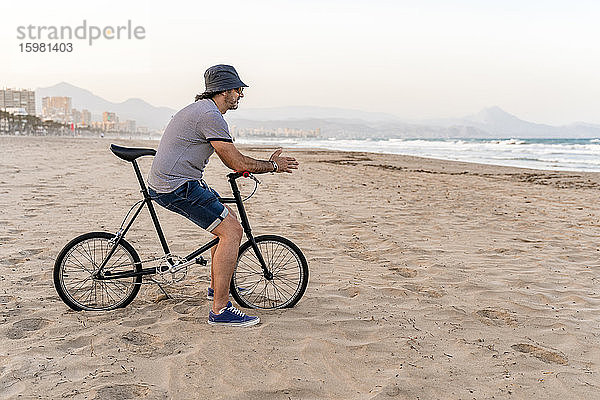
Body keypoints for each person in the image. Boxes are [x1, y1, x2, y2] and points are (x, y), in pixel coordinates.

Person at [147, 65, 298, 327]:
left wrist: (248, 166)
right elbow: (234, 160)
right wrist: (273, 166)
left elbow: (233, 159)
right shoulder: (210, 115)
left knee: (226, 222)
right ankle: (220, 310)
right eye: (238, 90)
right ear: (225, 90)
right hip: (176, 186)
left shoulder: (201, 110)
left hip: (177, 181)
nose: (240, 95)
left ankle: (216, 287)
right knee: (231, 233)